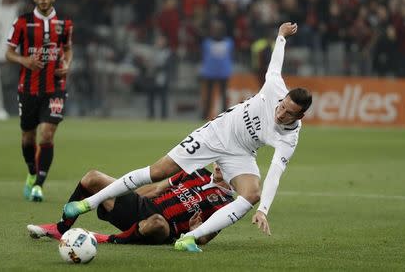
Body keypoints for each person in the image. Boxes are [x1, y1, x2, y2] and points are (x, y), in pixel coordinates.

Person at [64, 22, 312, 252]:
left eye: (288, 113)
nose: (280, 113)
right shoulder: (274, 88)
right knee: (158, 171)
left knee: (252, 194)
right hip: (215, 134)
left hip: (241, 152)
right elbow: (276, 62)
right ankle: (90, 202)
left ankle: (189, 238)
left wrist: (263, 210)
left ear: (299, 117)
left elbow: (275, 175)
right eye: (281, 106)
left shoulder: (288, 139)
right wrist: (281, 36)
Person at [27, 165, 234, 245]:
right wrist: (125, 195)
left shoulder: (227, 205)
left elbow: (205, 238)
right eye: (219, 159)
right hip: (140, 206)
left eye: (225, 162)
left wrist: (195, 231)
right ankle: (60, 228)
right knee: (92, 178)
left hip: (163, 230)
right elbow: (156, 189)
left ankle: (107, 239)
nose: (218, 164)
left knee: (157, 223)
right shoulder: (195, 172)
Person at [5, 0, 73, 202]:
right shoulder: (22, 22)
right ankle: (32, 172)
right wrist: (25, 60)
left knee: (47, 133)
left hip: (55, 88)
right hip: (28, 88)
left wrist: (67, 65)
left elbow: (68, 48)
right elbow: (8, 53)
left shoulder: (64, 23)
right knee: (27, 137)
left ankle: (38, 186)